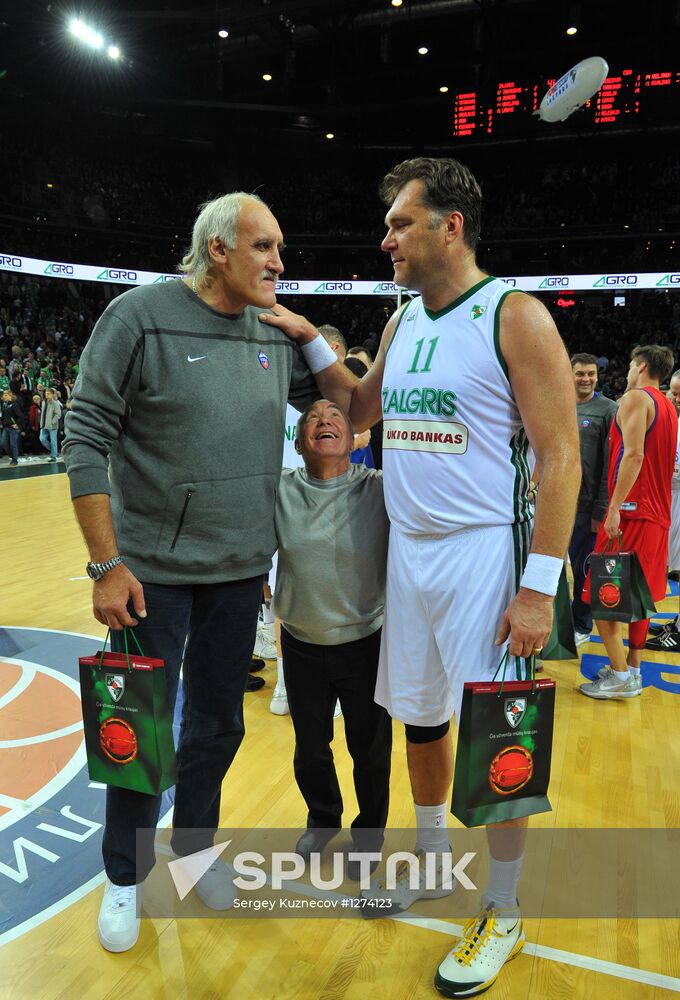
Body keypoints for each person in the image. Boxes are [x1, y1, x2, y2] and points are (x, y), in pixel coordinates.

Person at [261, 156, 580, 999]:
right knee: (423, 720)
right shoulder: (403, 320)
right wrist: (308, 337)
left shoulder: (513, 315)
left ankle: (504, 912)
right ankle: (432, 861)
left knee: (496, 737)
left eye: (401, 222)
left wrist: (538, 586)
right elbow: (358, 411)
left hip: (487, 550)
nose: (387, 237)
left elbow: (561, 458)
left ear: (452, 226)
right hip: (408, 550)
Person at [62, 191, 353, 954]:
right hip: (147, 575)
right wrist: (106, 562)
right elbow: (85, 435)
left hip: (237, 574)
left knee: (217, 724)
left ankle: (191, 853)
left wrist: (308, 339)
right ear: (218, 248)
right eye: (265, 247)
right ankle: (123, 877)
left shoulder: (272, 332)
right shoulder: (138, 317)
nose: (279, 264)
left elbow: (350, 407)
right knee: (139, 732)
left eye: (279, 248)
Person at [274, 398, 391, 877]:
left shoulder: (380, 489)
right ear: (300, 443)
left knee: (369, 749)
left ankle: (369, 836)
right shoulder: (278, 490)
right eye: (314, 419)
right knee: (311, 746)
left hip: (365, 642)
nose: (325, 421)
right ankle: (323, 819)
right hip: (300, 642)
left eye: (336, 416)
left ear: (354, 437)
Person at [580, 345, 677, 699]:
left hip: (633, 514)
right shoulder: (668, 405)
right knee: (639, 600)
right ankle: (633, 668)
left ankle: (620, 678)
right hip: (658, 517)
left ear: (641, 365)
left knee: (600, 597)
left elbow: (634, 455)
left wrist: (615, 507)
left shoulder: (635, 399)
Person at [568, 353, 618, 645]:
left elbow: (610, 466)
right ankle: (560, 621)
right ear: (570, 374)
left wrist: (602, 509)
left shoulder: (608, 410)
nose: (585, 379)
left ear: (597, 376)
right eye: (580, 374)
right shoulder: (560, 404)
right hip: (561, 500)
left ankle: (581, 625)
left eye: (591, 374)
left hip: (588, 506)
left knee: (584, 566)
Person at [646, 370, 680, 651]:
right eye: (675, 392)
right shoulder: (675, 419)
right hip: (673, 499)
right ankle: (678, 623)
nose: (676, 398)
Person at [39, 387, 63, 461]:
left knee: (53, 441)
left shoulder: (56, 403)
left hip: (52, 426)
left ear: (52, 394)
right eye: (46, 393)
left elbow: (58, 415)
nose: (47, 395)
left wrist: (52, 422)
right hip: (44, 424)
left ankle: (53, 456)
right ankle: (54, 452)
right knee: (42, 439)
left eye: (48, 394)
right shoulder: (43, 402)